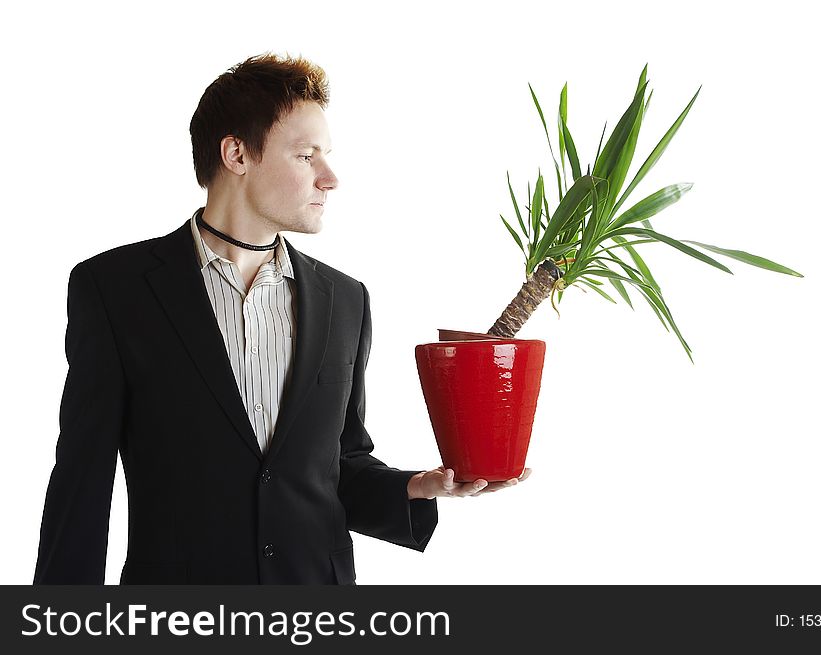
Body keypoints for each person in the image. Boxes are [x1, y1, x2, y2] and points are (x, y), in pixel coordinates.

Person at [33, 52, 530, 585]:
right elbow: (82, 482)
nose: (330, 177)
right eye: (305, 155)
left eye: (327, 155)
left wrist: (417, 486)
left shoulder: (345, 300)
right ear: (236, 154)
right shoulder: (115, 289)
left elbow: (340, 463)